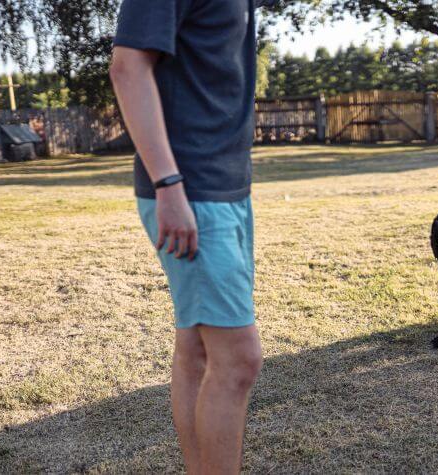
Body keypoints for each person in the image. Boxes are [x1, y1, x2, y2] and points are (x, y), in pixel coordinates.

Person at [109, 0, 273, 472]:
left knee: (197, 348)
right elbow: (128, 67)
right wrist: (168, 183)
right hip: (190, 188)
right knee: (239, 360)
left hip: (224, 188)